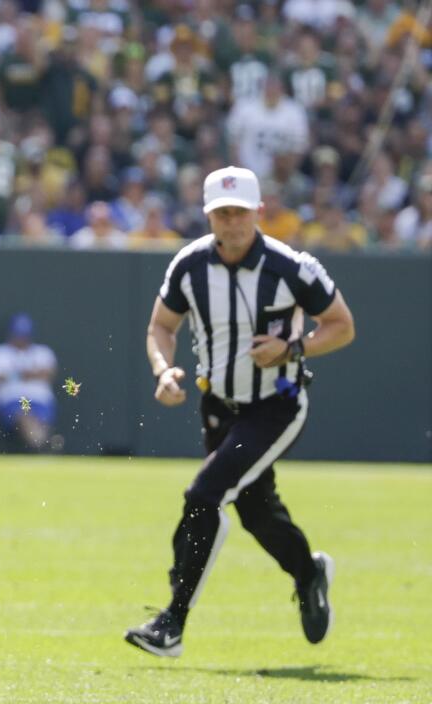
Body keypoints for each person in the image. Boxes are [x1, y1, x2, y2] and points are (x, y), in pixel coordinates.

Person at [126, 165, 355, 658]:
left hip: (277, 403)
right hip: (219, 404)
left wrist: (291, 348)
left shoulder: (292, 267)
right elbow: (160, 327)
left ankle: (173, 621)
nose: (231, 223)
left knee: (203, 494)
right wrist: (163, 371)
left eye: (240, 213)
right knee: (254, 512)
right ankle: (308, 572)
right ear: (208, 214)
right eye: (222, 213)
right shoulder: (189, 266)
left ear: (259, 213)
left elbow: (340, 325)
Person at [0, 313, 58, 451]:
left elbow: (48, 374)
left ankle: (40, 444)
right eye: (18, 335)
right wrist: (30, 374)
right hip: (13, 401)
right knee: (25, 415)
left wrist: (14, 374)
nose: (21, 339)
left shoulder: (43, 352)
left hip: (40, 401)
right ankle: (40, 446)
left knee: (36, 418)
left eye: (24, 335)